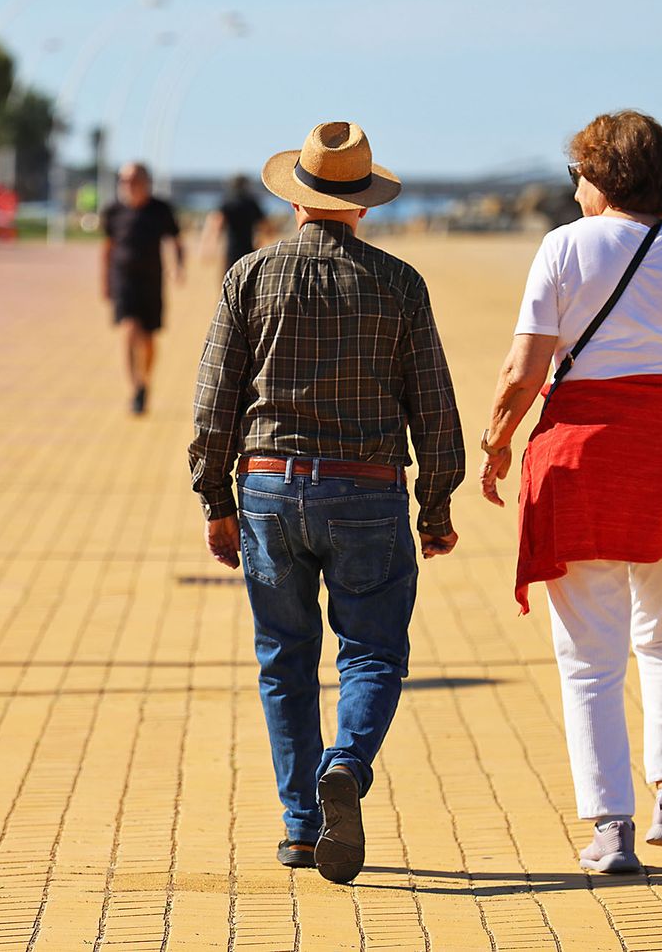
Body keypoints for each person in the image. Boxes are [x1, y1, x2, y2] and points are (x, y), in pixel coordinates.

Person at [478, 110, 662, 875]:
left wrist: (499, 442)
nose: (572, 185)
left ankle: (610, 826)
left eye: (577, 172)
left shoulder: (561, 249)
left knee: (588, 658)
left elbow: (524, 369)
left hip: (579, 466)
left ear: (601, 176)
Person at [190, 121, 465, 884]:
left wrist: (215, 497)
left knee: (284, 658)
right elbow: (433, 405)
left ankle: (302, 828)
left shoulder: (250, 275)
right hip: (368, 491)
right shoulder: (399, 283)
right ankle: (346, 762)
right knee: (372, 650)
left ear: (298, 198)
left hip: (271, 487)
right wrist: (436, 506)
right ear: (363, 206)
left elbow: (214, 400)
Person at [102, 162, 184, 414]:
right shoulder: (113, 211)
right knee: (128, 330)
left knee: (148, 339)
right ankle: (136, 388)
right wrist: (105, 281)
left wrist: (178, 267)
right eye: (124, 180)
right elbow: (107, 248)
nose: (128, 185)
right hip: (123, 280)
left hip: (151, 281)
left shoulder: (160, 210)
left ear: (146, 182)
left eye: (133, 180)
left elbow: (176, 241)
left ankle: (145, 380)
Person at [200, 174, 274, 273]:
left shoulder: (227, 202)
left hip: (231, 251)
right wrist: (262, 240)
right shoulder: (252, 203)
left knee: (229, 281)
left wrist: (209, 247)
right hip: (249, 250)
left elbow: (216, 225)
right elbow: (266, 227)